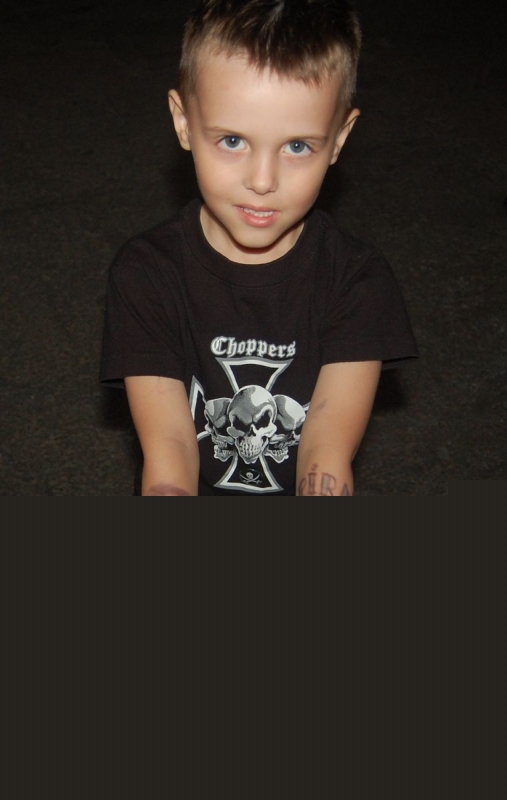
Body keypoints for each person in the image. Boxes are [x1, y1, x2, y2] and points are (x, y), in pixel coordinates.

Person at [100, 0, 418, 496]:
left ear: (339, 139)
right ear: (183, 123)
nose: (263, 181)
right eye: (232, 140)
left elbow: (326, 453)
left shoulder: (357, 280)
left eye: (297, 146)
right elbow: (170, 451)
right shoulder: (146, 275)